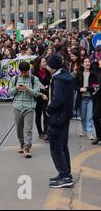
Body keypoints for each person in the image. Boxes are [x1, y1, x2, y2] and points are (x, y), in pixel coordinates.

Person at [46, 54, 74, 188]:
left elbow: (58, 100)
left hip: (57, 117)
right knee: (63, 146)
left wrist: (49, 109)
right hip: (65, 117)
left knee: (56, 148)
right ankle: (66, 173)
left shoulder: (58, 79)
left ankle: (65, 177)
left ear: (51, 66)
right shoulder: (65, 75)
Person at [9, 61, 45, 158]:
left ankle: (27, 147)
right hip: (17, 106)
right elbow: (9, 93)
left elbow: (37, 93)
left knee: (28, 128)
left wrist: (28, 89)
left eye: (26, 72)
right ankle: (21, 143)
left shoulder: (34, 79)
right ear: (20, 71)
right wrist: (16, 88)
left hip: (29, 107)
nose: (24, 74)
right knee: (19, 128)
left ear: (29, 70)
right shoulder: (14, 78)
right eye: (22, 72)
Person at [74, 57, 97, 140]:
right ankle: (84, 129)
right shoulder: (79, 74)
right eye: (86, 62)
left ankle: (90, 132)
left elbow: (95, 85)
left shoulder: (93, 74)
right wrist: (79, 88)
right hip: (81, 98)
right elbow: (75, 85)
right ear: (83, 64)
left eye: (89, 62)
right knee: (83, 116)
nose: (88, 63)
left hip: (90, 97)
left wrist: (87, 88)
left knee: (89, 116)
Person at [32, 56, 51, 140]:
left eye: (45, 61)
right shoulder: (34, 73)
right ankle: (40, 132)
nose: (45, 63)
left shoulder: (47, 71)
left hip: (46, 96)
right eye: (43, 62)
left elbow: (50, 82)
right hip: (38, 96)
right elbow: (34, 86)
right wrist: (41, 93)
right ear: (39, 63)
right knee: (38, 114)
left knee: (46, 114)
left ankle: (46, 132)